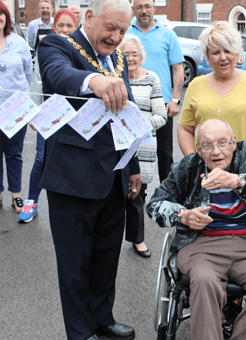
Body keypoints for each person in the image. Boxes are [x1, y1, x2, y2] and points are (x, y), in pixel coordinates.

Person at [37, 0, 142, 339]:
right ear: (89, 17)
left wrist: (134, 167)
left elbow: (123, 114)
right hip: (73, 176)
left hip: (114, 175)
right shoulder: (58, 44)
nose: (116, 37)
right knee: (75, 265)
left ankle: (102, 318)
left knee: (106, 257)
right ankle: (81, 332)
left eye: (123, 31)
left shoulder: (120, 57)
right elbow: (58, 74)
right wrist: (94, 80)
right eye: (111, 27)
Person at [147, 118, 246, 340]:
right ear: (199, 149)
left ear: (233, 143)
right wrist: (183, 215)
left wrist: (238, 181)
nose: (215, 151)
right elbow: (154, 204)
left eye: (222, 143)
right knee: (203, 281)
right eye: (207, 145)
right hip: (200, 244)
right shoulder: (189, 167)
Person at [177, 21, 246, 167]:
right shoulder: (196, 86)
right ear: (207, 57)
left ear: (237, 52)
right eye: (216, 53)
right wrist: (194, 163)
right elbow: (184, 129)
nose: (223, 57)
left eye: (228, 50)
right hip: (209, 175)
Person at [18, 8, 77, 223]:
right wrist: (34, 112)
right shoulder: (46, 50)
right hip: (49, 115)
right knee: (42, 158)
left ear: (76, 28)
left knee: (71, 161)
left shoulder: (81, 52)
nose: (64, 29)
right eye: (61, 25)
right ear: (53, 27)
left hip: (74, 118)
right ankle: (31, 202)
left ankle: (70, 208)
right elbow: (36, 83)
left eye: (69, 26)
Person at [119, 34, 167, 257]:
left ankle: (138, 240)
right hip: (117, 145)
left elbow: (161, 116)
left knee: (137, 195)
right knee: (115, 195)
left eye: (134, 54)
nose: (130, 58)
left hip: (143, 146)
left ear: (141, 56)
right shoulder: (114, 79)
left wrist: (137, 124)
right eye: (125, 54)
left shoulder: (152, 78)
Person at [127, 0, 184, 182]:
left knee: (165, 153)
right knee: (132, 151)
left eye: (147, 6)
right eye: (139, 7)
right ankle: (136, 196)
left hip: (163, 104)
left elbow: (178, 68)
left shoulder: (168, 35)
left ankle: (167, 196)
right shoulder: (125, 33)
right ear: (133, 9)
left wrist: (175, 99)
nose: (144, 11)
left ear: (154, 7)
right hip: (132, 105)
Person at [0, 1, 32, 212]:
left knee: (14, 153)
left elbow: (28, 73)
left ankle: (16, 195)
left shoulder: (19, 43)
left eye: (0, 15)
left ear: (6, 18)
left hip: (15, 110)